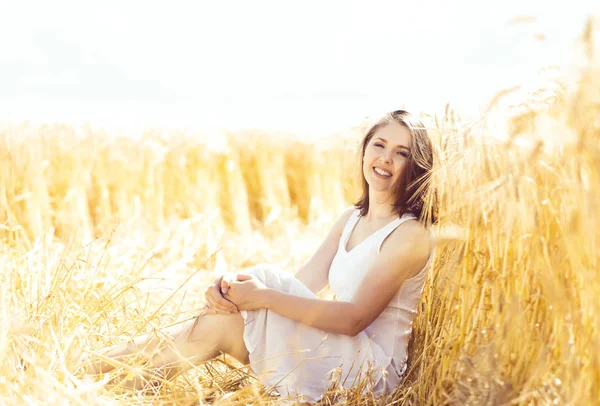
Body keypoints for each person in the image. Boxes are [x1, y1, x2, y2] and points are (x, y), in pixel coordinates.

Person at [84, 109, 437, 404]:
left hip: (367, 371)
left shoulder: (408, 235)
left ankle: (105, 388)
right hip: (339, 349)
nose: (386, 158)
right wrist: (232, 294)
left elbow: (353, 319)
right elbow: (303, 285)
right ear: (364, 151)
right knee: (226, 316)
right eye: (379, 144)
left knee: (255, 293)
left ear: (416, 165)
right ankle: (90, 372)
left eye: (402, 153)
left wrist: (262, 296)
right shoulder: (351, 219)